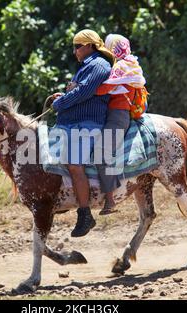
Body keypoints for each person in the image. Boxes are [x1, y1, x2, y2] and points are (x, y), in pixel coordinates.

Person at [51, 29, 114, 237]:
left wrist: (59, 103)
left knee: (75, 165)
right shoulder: (87, 66)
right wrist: (65, 95)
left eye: (77, 46)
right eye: (74, 46)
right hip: (74, 123)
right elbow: (77, 91)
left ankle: (85, 213)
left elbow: (83, 92)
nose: (74, 51)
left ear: (89, 46)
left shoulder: (98, 65)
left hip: (87, 123)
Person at [94, 34, 147, 215]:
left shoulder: (121, 67)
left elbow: (103, 90)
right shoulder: (131, 65)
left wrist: (83, 88)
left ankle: (110, 201)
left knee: (102, 154)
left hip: (117, 116)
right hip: (118, 115)